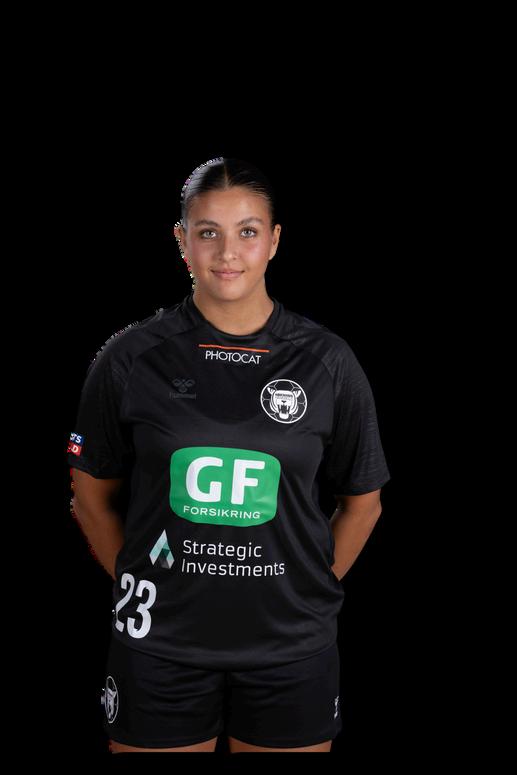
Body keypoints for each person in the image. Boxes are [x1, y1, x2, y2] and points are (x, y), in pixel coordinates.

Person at [67, 157, 391, 753]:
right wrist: (146, 579)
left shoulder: (328, 361)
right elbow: (89, 496)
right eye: (207, 232)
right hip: (158, 643)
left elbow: (362, 503)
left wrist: (306, 589)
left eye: (247, 231)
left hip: (290, 647)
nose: (227, 253)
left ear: (275, 240)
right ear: (182, 240)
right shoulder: (130, 357)